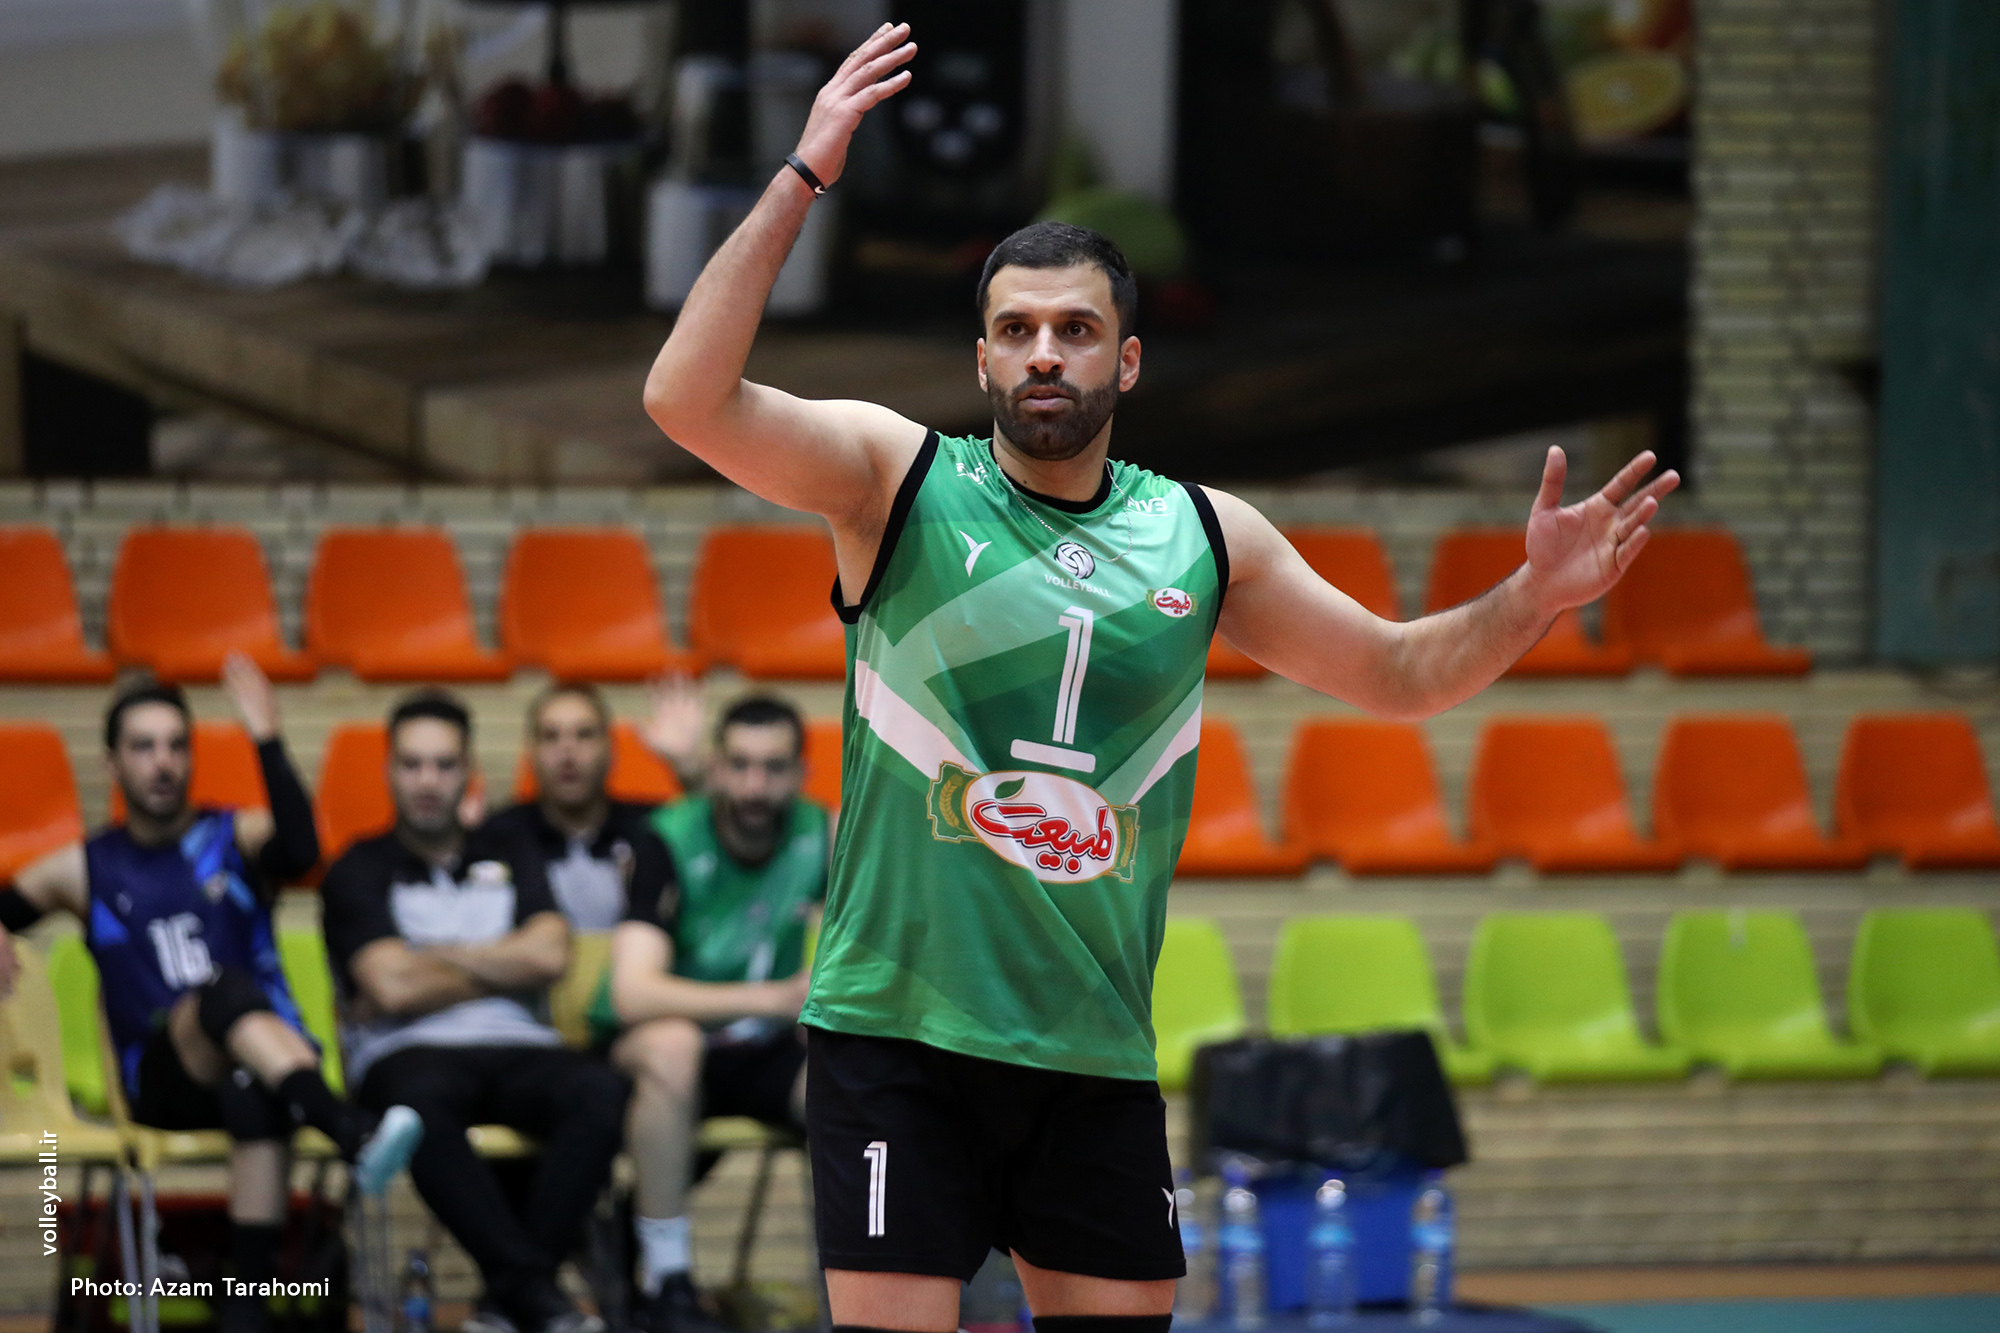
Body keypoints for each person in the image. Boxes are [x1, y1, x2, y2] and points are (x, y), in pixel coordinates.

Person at [640, 20, 1682, 1333]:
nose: (1043, 352)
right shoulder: (894, 478)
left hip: (1088, 1048)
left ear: (1125, 361)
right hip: (897, 1038)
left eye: (1076, 329)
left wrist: (1533, 595)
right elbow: (685, 399)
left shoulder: (1205, 534)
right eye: (1016, 329)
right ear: (980, 359)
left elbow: (1399, 676)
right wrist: (803, 176)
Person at [0, 656, 423, 1333]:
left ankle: (245, 1308)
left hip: (266, 1069)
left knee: (253, 1087)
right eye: (144, 747)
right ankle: (346, 1127)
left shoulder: (234, 836)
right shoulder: (83, 867)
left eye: (176, 746)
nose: (163, 763)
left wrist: (267, 738)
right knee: (224, 991)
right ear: (112, 764)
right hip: (161, 1078)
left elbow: (302, 849)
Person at [318, 690, 627, 1333]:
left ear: (470, 772)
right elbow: (391, 989)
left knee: (601, 1090)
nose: (428, 781)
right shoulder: (357, 867)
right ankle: (536, 1296)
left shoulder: (511, 849)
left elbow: (550, 953)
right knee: (415, 1109)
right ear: (388, 772)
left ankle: (510, 1300)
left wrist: (429, 956)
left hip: (520, 1046)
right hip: (406, 1054)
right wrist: (501, 962)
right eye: (412, 764)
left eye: (444, 764)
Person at [480, 683, 707, 1333]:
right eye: (551, 736)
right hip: (530, 1047)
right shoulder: (495, 835)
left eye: (583, 734)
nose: (568, 752)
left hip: (627, 1037)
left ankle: (637, 1253)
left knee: (689, 1071)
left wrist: (690, 768)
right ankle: (539, 1281)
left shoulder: (657, 827)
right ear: (531, 750)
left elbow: (720, 842)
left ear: (610, 747)